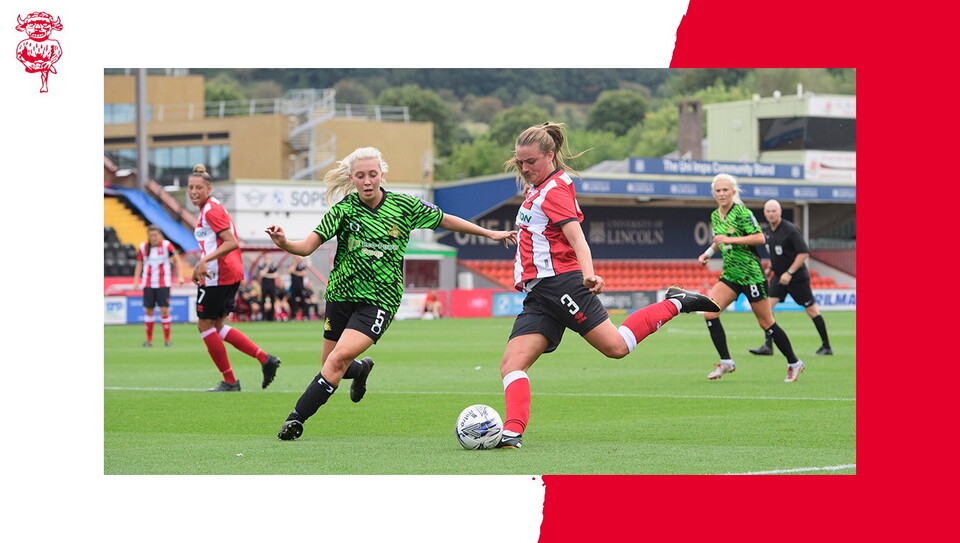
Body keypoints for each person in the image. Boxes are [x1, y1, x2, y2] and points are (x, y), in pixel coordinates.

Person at [265, 146, 518, 441]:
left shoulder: (403, 206)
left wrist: (489, 233)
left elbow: (445, 220)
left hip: (379, 300)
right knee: (331, 365)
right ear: (352, 178)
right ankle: (361, 370)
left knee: (337, 359)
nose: (367, 181)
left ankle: (296, 420)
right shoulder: (343, 210)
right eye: (361, 176)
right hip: (340, 296)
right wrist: (285, 242)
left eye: (372, 174)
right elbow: (308, 246)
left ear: (382, 174)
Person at [494, 122, 721, 449]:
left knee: (617, 347)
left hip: (562, 285)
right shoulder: (537, 187)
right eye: (520, 162)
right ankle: (512, 433)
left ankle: (678, 302)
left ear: (550, 155)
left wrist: (589, 274)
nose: (524, 168)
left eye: (531, 161)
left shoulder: (554, 189)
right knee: (511, 364)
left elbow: (578, 239)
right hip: (539, 294)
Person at [697, 175, 806, 383]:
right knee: (709, 313)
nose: (721, 194)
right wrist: (708, 253)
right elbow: (719, 240)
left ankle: (794, 362)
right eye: (718, 191)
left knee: (766, 323)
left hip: (750, 274)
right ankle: (726, 362)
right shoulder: (715, 215)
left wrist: (730, 240)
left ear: (733, 191)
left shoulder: (742, 213)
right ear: (713, 193)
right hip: (731, 274)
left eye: (725, 190)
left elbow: (759, 237)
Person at [188, 163, 281, 392]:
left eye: (199, 187)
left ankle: (230, 381)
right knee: (218, 325)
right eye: (190, 187)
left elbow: (232, 242)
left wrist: (204, 261)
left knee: (204, 325)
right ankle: (264, 359)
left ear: (209, 189)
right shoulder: (210, 208)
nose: (193, 192)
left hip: (218, 274)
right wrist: (203, 262)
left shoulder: (210, 210)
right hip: (225, 272)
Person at [749, 199, 833, 356]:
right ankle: (768, 346)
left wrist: (790, 272)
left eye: (774, 211)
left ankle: (826, 346)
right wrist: (770, 269)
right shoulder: (767, 231)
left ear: (780, 212)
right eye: (768, 211)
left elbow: (803, 253)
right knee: (767, 308)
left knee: (812, 310)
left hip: (797, 278)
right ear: (765, 213)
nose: (771, 214)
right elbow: (778, 255)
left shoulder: (790, 229)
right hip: (779, 277)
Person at [133, 224, 186, 347]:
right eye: (151, 235)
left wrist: (180, 276)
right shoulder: (143, 247)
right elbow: (139, 264)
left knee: (164, 310)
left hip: (163, 283)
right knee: (149, 310)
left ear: (160, 235)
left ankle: (167, 340)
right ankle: (148, 340)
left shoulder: (166, 245)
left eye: (155, 235)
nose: (153, 238)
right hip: (148, 283)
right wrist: (136, 280)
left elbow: (177, 260)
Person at [257, 253, 281, 321]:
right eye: (267, 258)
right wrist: (267, 266)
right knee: (263, 301)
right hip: (264, 286)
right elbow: (262, 274)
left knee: (273, 300)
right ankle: (263, 317)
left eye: (269, 258)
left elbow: (276, 275)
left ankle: (272, 317)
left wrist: (267, 275)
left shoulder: (273, 266)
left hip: (272, 286)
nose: (268, 259)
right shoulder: (262, 265)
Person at [288, 255, 309, 321]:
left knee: (303, 300)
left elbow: (304, 273)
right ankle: (293, 316)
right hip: (293, 286)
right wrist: (295, 263)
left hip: (300, 286)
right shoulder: (291, 265)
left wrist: (295, 273)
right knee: (293, 301)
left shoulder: (302, 265)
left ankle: (305, 316)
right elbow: (290, 271)